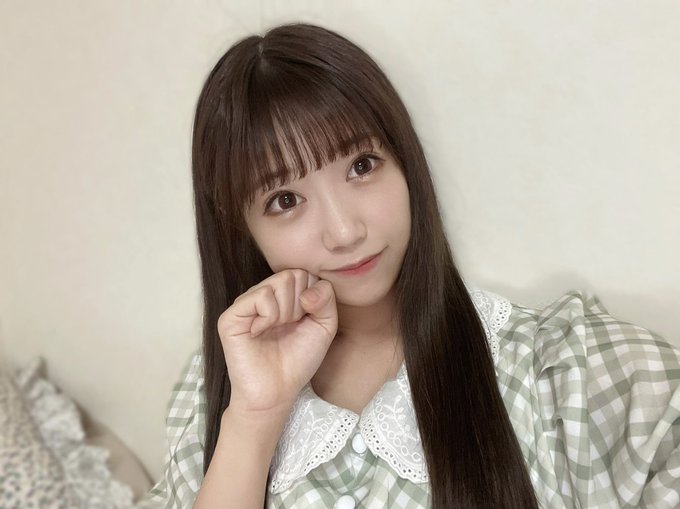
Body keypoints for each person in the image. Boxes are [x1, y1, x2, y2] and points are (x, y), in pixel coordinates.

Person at [136, 23, 680, 509]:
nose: (345, 232)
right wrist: (254, 420)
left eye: (362, 165)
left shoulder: (559, 374)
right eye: (285, 200)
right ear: (241, 231)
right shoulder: (216, 399)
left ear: (406, 163)